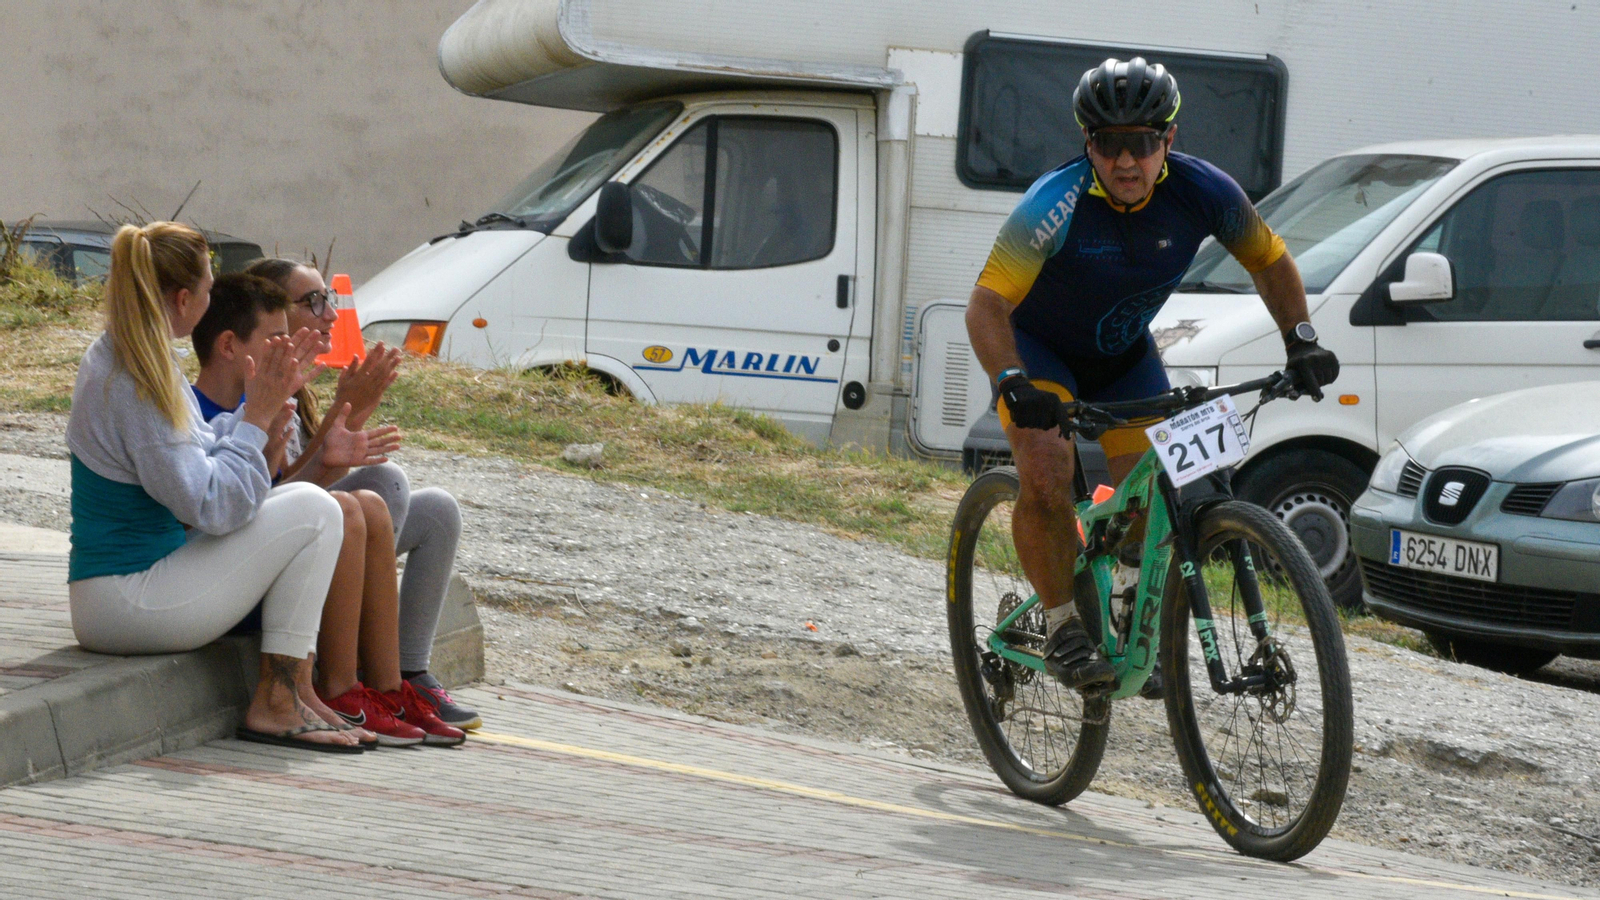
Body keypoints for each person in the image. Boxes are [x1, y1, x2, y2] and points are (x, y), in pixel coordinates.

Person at [965, 58, 1340, 691]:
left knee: (1155, 491)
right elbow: (987, 307)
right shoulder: (1053, 203)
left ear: (1168, 139)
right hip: (1040, 355)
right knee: (1048, 474)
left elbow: (1269, 261)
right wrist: (1010, 381)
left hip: (1124, 359)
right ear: (1088, 143)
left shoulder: (1205, 191)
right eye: (1108, 144)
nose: (1125, 161)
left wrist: (1300, 340)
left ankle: (1127, 603)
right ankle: (1062, 626)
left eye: (1141, 143)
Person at [65, 222, 360, 753]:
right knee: (316, 510)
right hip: (124, 600)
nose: (210, 299)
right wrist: (257, 417)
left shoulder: (134, 357)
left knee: (311, 504)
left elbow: (200, 448)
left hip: (125, 592)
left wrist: (259, 408)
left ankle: (294, 691)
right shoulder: (133, 378)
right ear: (183, 299)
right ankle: (278, 698)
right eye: (206, 289)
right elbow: (211, 505)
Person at [190, 273, 465, 746]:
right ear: (230, 345)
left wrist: (340, 430)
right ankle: (342, 685)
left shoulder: (265, 403)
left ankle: (390, 687)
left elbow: (278, 498)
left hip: (267, 558)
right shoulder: (213, 413)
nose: (330, 316)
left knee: (375, 503)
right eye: (312, 303)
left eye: (329, 299)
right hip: (227, 581)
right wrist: (335, 431)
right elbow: (248, 509)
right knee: (352, 505)